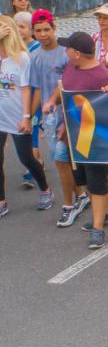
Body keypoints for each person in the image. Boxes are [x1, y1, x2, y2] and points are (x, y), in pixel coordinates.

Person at [44, 33, 108, 247]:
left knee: (97, 181)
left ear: (76, 53)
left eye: (68, 49)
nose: (64, 51)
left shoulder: (101, 76)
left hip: (94, 141)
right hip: (71, 135)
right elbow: (62, 86)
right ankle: (103, 212)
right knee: (82, 180)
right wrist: (51, 101)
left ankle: (98, 228)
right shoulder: (71, 67)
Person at [29, 10, 88, 227]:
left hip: (70, 114)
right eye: (38, 31)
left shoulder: (67, 53)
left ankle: (68, 206)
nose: (43, 34)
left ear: (54, 29)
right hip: (50, 118)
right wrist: (28, 117)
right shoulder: (34, 57)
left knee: (62, 162)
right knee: (65, 162)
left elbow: (73, 83)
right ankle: (82, 196)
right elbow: (36, 90)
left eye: (47, 29)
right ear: (34, 34)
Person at [0, 14, 52, 218]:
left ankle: (46, 189)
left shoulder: (21, 58)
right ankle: (2, 200)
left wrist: (26, 117)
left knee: (26, 158)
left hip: (17, 116)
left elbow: (25, 90)